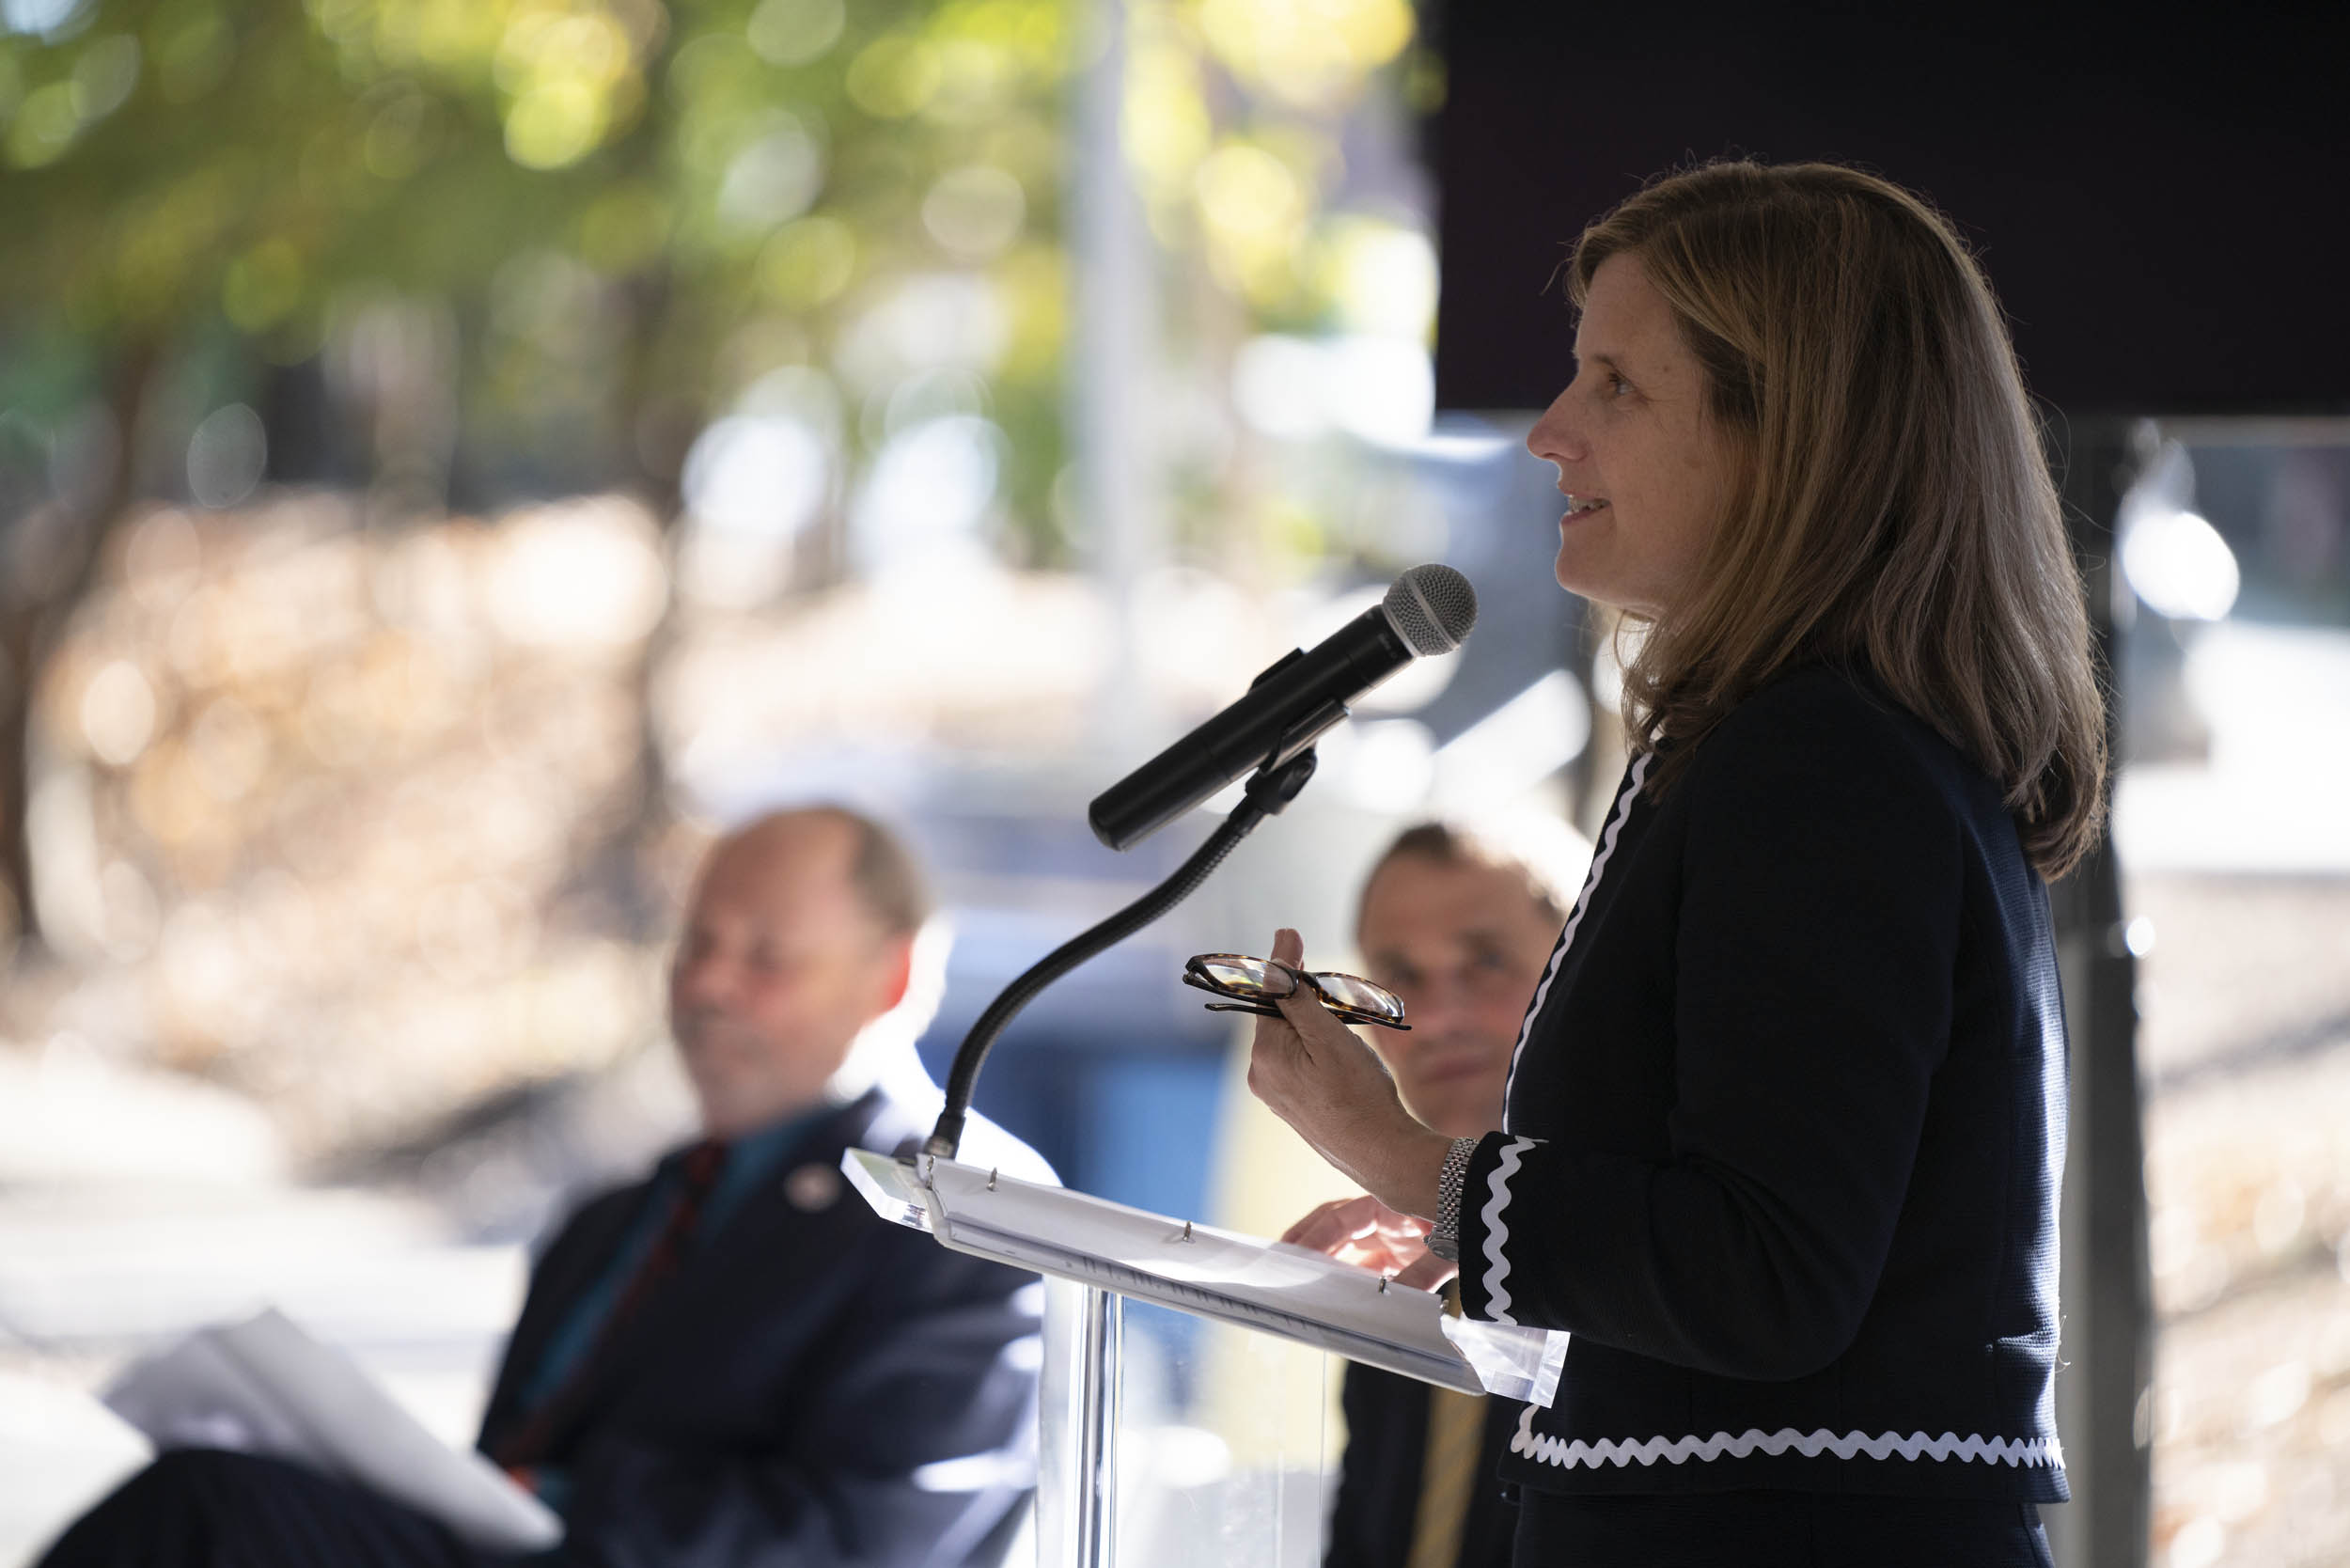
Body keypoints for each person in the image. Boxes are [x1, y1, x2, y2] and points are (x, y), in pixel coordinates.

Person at [1246, 161, 2106, 1568]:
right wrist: (1479, 1237)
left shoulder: (1821, 758)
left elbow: (1770, 1271)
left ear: (1790, 436)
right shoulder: (1788, 743)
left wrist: (1412, 1160)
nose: (1548, 435)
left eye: (1616, 387)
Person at [42, 807, 1049, 1568]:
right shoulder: (623, 1214)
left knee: (214, 1512)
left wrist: (562, 1498)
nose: (708, 984)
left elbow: (862, 1540)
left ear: (890, 977)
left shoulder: (957, 1211)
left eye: (766, 957)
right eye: (697, 943)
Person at [1288, 823, 1580, 1568]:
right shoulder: (1399, 1259)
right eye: (1398, 975)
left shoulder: (1651, 1242)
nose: (1438, 1017)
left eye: (1486, 961)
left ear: (1580, 969)